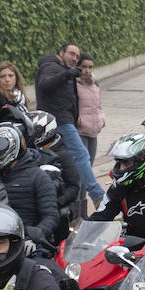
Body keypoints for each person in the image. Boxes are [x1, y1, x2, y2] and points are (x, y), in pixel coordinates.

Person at [36, 42, 104, 210]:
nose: (74, 58)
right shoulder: (52, 67)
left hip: (63, 122)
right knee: (81, 156)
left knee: (69, 166)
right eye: (71, 54)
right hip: (60, 122)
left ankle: (76, 211)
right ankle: (98, 196)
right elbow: (45, 85)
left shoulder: (61, 69)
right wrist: (66, 75)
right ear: (61, 53)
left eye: (76, 56)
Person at [0, 123, 60, 253]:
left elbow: (51, 216)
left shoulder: (38, 177)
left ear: (9, 150)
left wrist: (34, 236)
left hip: (30, 245)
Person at [73, 53, 105, 162]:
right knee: (82, 165)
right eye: (84, 67)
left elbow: (98, 105)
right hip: (80, 132)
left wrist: (102, 120)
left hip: (94, 132)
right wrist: (78, 121)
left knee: (90, 164)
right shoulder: (73, 85)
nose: (87, 70)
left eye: (90, 67)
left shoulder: (95, 84)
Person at [0, 61, 28, 131]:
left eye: (11, 75)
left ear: (16, 77)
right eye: (2, 76)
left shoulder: (20, 97)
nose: (7, 80)